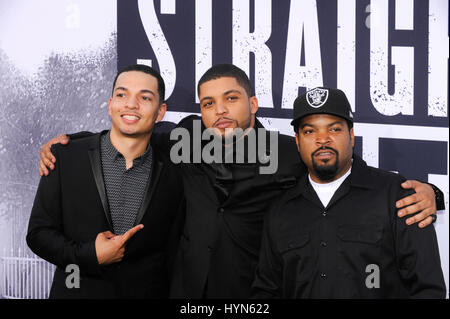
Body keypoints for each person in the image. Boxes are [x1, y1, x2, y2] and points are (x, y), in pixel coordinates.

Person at [38, 64, 444, 298]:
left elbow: (349, 173)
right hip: (181, 291)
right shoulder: (183, 138)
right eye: (209, 103)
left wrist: (432, 193)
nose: (220, 111)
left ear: (252, 103)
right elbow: (132, 131)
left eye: (231, 99)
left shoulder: (290, 151)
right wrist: (70, 143)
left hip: (249, 294)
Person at [251, 87, 446, 298]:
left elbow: (428, 289)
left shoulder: (396, 196)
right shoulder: (280, 210)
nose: (322, 139)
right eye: (310, 131)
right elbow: (266, 291)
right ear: (298, 142)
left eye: (334, 129)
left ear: (351, 135)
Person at [27, 64, 185, 298]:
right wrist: (90, 254)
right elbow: (38, 234)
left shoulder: (176, 168)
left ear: (160, 112)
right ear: (111, 105)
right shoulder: (65, 156)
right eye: (122, 95)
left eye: (145, 97)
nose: (131, 104)